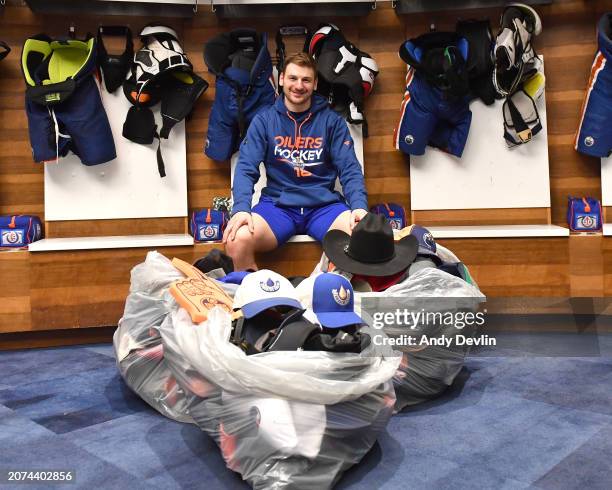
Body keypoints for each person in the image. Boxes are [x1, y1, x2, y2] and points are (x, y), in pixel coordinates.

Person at [223, 52, 368, 271]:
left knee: (360, 236)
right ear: (281, 79)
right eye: (293, 78)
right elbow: (246, 168)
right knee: (237, 239)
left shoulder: (331, 122)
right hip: (279, 207)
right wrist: (242, 209)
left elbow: (349, 169)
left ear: (315, 84)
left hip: (323, 207)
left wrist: (359, 207)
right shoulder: (264, 120)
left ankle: (331, 296)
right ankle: (251, 297)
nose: (299, 86)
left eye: (306, 80)